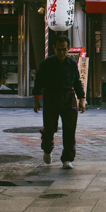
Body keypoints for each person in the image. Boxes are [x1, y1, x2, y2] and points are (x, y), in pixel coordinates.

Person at [33, 37, 85, 169]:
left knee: (69, 130)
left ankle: (67, 159)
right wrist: (36, 101)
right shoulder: (47, 64)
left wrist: (82, 99)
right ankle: (47, 150)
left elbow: (77, 82)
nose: (62, 52)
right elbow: (38, 82)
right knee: (49, 128)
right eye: (59, 49)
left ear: (68, 49)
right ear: (54, 49)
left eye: (64, 50)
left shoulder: (72, 64)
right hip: (51, 97)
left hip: (68, 98)